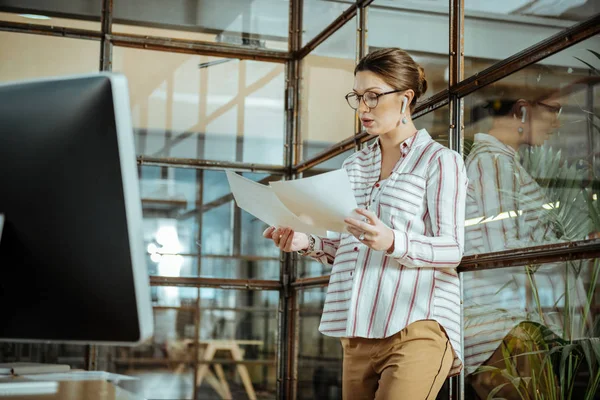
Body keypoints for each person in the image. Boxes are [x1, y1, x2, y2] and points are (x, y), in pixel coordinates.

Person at [263, 48, 468, 400]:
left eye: (373, 97)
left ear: (406, 99)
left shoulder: (440, 161)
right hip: (357, 333)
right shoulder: (353, 167)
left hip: (416, 325)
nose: (362, 108)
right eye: (357, 97)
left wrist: (392, 240)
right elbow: (347, 243)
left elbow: (452, 249)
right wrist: (305, 243)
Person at [463, 97, 592, 399]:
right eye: (553, 111)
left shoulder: (501, 162)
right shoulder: (492, 162)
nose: (558, 123)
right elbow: (501, 249)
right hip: (507, 329)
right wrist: (569, 248)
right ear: (521, 110)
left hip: (510, 326)